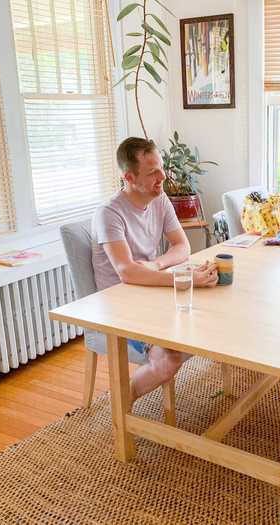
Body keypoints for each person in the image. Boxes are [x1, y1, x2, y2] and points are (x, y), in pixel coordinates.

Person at [91, 137, 218, 405]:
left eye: (160, 168)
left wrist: (156, 264)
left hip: (150, 292)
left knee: (215, 319)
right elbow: (127, 272)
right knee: (168, 360)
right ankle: (122, 403)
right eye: (152, 172)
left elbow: (182, 247)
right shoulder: (109, 214)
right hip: (121, 307)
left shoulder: (159, 200)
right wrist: (179, 279)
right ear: (129, 177)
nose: (162, 176)